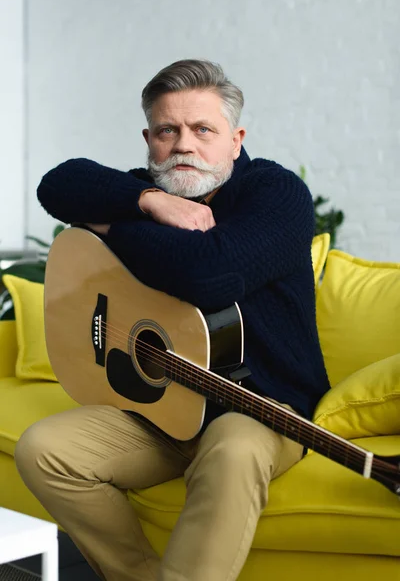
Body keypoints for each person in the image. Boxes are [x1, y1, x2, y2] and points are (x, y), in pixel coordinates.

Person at [15, 59, 329, 581]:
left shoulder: (276, 194)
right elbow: (58, 184)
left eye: (203, 129)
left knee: (231, 454)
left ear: (236, 138)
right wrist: (151, 201)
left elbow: (211, 275)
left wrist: (112, 225)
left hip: (259, 408)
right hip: (163, 408)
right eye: (168, 130)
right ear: (149, 139)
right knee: (44, 450)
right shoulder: (145, 192)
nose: (184, 145)